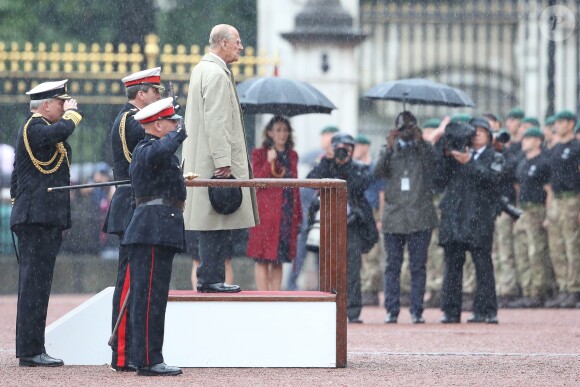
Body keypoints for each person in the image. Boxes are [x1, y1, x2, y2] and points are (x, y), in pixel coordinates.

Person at [182, 24, 259, 293]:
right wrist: (223, 160)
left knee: (214, 222)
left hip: (206, 159)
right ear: (223, 43)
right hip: (214, 161)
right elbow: (216, 120)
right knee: (216, 221)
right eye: (237, 42)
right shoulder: (215, 73)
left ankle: (210, 277)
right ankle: (211, 279)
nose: (240, 47)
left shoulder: (205, 69)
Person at [10, 80, 82, 367]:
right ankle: (29, 350)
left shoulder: (44, 131)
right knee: (34, 286)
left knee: (39, 285)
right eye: (61, 102)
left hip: (43, 218)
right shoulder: (34, 126)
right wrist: (73, 117)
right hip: (36, 219)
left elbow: (19, 174)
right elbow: (58, 132)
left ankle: (33, 346)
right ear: (46, 104)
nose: (65, 106)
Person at [102, 67, 163, 372]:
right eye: (156, 93)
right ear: (142, 94)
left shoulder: (134, 119)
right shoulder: (132, 120)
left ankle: (129, 352)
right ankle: (124, 354)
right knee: (129, 282)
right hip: (132, 205)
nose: (159, 97)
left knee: (134, 281)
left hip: (133, 205)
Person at [121, 97, 186, 376]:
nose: (175, 127)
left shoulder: (157, 149)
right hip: (151, 229)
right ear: (157, 125)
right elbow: (159, 151)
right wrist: (180, 133)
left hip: (160, 229)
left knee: (154, 298)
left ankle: (148, 356)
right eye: (171, 122)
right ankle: (148, 359)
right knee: (148, 299)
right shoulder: (146, 148)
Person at [434, 117, 504, 324]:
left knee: (483, 265)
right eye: (473, 131)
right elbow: (438, 179)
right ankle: (450, 310)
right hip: (455, 216)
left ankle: (486, 311)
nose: (476, 135)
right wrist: (444, 150)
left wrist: (470, 163)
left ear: (490, 135)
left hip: (480, 218)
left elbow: (493, 179)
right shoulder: (455, 154)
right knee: (452, 265)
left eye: (482, 131)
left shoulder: (495, 156)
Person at [374, 112, 438, 324]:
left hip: (420, 216)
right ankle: (392, 310)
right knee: (392, 265)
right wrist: (390, 148)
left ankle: (416, 310)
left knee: (417, 266)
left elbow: (434, 169)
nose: (407, 133)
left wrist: (421, 143)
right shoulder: (389, 151)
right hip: (394, 217)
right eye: (403, 129)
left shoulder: (424, 151)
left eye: (410, 128)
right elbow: (376, 173)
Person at [307, 132, 377, 323]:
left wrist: (346, 165)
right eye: (340, 149)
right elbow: (310, 180)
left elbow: (358, 186)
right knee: (326, 269)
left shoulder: (358, 168)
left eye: (348, 149)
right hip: (327, 224)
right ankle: (326, 309)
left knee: (352, 270)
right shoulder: (326, 166)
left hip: (351, 225)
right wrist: (327, 162)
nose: (343, 153)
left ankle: (353, 312)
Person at [246, 116, 302, 290]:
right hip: (266, 213)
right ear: (270, 132)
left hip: (286, 211)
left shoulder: (292, 155)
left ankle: (276, 296)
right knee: (262, 258)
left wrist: (298, 214)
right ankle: (264, 297)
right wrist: (269, 161)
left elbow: (295, 185)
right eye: (278, 130)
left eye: (285, 130)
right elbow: (258, 180)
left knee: (279, 258)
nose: (282, 134)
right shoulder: (259, 153)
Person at [512, 127, 555, 307]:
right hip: (523, 209)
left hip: (537, 209)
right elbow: (518, 188)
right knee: (521, 252)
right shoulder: (522, 162)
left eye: (529, 138)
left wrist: (548, 214)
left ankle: (539, 292)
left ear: (538, 141)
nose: (524, 141)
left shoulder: (544, 162)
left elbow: (549, 190)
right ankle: (527, 290)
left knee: (536, 251)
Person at [544, 110, 580, 308]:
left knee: (572, 246)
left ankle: (574, 289)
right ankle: (564, 287)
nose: (557, 125)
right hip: (557, 200)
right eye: (556, 121)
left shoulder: (577, 147)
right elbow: (550, 182)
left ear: (571, 124)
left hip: (572, 199)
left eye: (561, 121)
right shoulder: (555, 149)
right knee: (556, 247)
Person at [353, 133, 385, 306]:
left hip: (371, 212)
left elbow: (381, 194)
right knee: (358, 253)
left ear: (365, 147)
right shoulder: (354, 167)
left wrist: (380, 217)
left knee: (372, 253)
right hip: (357, 211)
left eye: (358, 145)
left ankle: (371, 290)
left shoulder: (374, 168)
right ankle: (362, 288)